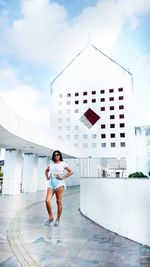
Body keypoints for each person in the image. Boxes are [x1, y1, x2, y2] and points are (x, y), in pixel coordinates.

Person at [44, 150, 73, 226]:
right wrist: (47, 178)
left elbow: (71, 171)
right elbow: (46, 171)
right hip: (51, 183)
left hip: (59, 184)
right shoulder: (51, 163)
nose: (56, 156)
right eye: (55, 155)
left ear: (60, 156)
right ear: (53, 156)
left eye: (58, 155)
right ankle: (51, 217)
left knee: (58, 202)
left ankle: (57, 219)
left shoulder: (63, 163)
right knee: (47, 201)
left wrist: (63, 177)